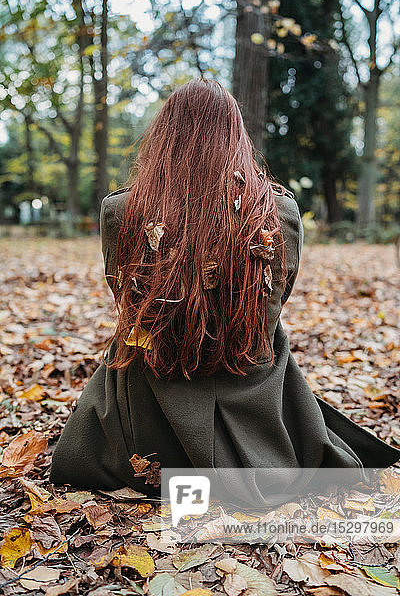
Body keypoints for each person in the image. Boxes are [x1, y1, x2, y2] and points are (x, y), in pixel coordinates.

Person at [50, 78, 400, 501]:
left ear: (163, 137)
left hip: (149, 406)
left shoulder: (120, 210)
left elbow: (126, 297)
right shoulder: (280, 211)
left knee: (132, 344)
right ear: (237, 137)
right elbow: (276, 300)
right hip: (250, 381)